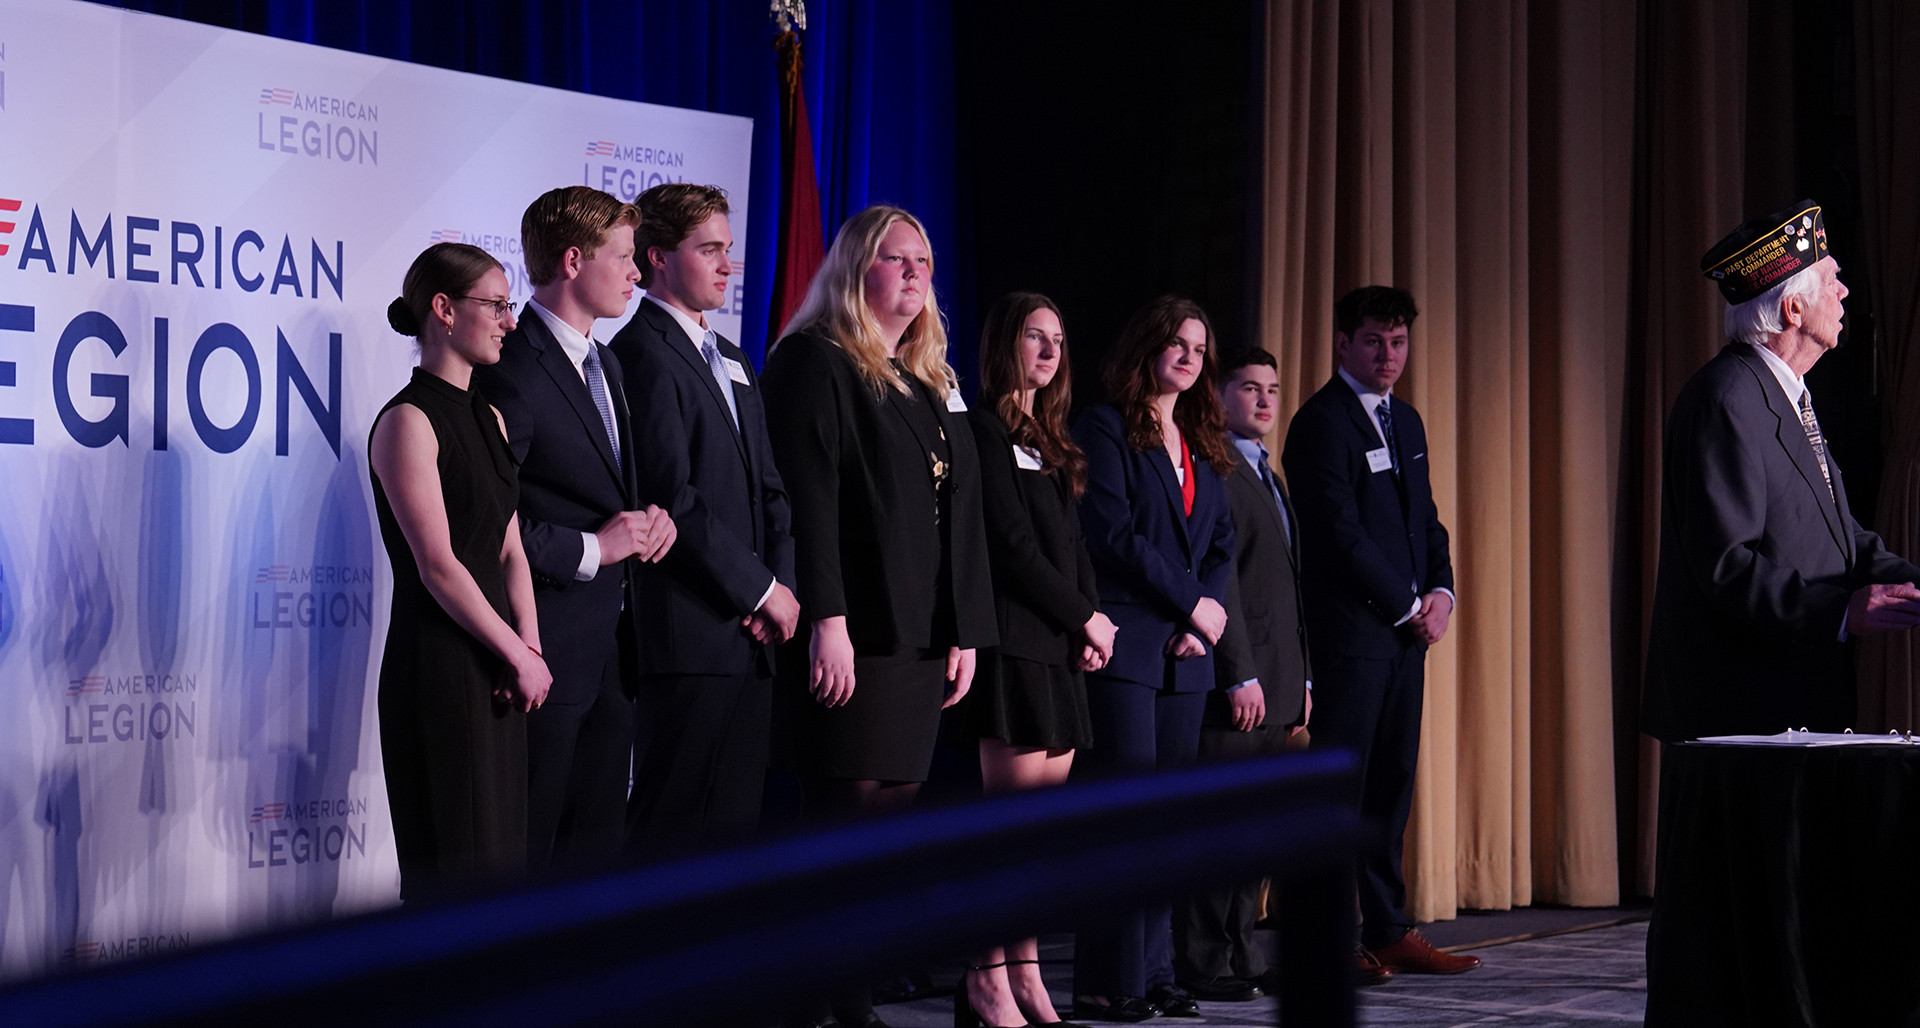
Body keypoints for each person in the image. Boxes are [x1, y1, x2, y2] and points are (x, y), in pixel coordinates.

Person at [760, 205, 998, 1028]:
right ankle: (818, 1000)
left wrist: (963, 626)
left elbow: (959, 509)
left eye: (925, 261)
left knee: (889, 817)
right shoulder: (814, 361)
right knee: (844, 818)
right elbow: (807, 502)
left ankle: (844, 993)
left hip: (921, 632)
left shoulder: (930, 374)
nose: (914, 274)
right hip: (857, 626)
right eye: (896, 259)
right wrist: (828, 619)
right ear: (855, 270)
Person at [1644, 200, 1920, 741]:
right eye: (1832, 279)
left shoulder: (1784, 393)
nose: (1844, 293)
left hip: (1795, 701)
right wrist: (1842, 610)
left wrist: (1908, 584)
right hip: (1743, 713)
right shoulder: (1726, 400)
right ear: (1794, 309)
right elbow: (1727, 565)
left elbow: (1843, 539)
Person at [472, 186, 676, 871]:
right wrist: (595, 548)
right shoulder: (509, 367)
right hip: (544, 650)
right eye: (622, 257)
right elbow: (487, 523)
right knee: (532, 853)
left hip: (615, 653)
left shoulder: (608, 363)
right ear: (571, 261)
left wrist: (652, 523)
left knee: (595, 855)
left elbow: (610, 489)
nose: (637, 273)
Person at [1280, 285, 1473, 977]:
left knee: (1391, 786)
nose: (1388, 355)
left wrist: (1443, 594)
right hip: (1352, 637)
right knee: (1343, 792)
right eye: (1373, 342)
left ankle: (1388, 928)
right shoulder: (1319, 424)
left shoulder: (1408, 422)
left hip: (1404, 641)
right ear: (1342, 344)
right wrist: (1405, 604)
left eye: (1398, 342)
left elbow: (1427, 521)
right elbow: (1337, 534)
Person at [609, 182, 799, 853]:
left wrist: (779, 586)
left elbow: (771, 489)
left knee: (734, 837)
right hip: (688, 633)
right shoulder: (638, 354)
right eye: (709, 249)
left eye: (729, 249)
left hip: (751, 639)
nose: (727, 264)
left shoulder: (736, 358)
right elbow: (673, 497)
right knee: (672, 829)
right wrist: (759, 590)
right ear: (657, 257)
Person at [1071, 295, 1238, 1023]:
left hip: (1188, 653)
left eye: (1199, 349)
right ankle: (1107, 980)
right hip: (1130, 641)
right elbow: (1111, 533)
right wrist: (1189, 605)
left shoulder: (1201, 439)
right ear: (1147, 346)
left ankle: (1156, 971)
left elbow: (1226, 543)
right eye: (1175, 342)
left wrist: (1205, 622)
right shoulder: (1106, 428)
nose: (1188, 357)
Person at [369, 242, 552, 901]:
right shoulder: (407, 421)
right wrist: (514, 650)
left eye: (510, 306)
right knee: (453, 863)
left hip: (501, 666)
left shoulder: (492, 418)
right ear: (444, 310)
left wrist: (528, 645)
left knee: (501, 864)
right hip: (442, 665)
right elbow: (438, 566)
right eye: (497, 305)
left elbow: (510, 549)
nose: (510, 319)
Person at [956, 292, 1117, 1028]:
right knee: (1008, 831)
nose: (1050, 352)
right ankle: (986, 975)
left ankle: (1025, 974)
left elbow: (1072, 545)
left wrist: (1090, 623)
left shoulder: (1051, 441)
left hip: (1058, 647)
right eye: (1034, 337)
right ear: (1004, 346)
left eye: (1058, 339)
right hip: (1015, 643)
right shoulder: (985, 431)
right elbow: (1013, 552)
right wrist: (1081, 614)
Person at [1173, 345, 1318, 1001]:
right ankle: (1205, 960)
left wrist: (1306, 680)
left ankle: (1239, 954)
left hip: (1284, 683)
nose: (1264, 400)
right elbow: (1222, 584)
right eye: (1249, 388)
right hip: (1242, 682)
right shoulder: (1213, 469)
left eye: (1272, 389)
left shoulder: (1269, 474)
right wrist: (1237, 674)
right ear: (1218, 394)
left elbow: (1289, 589)